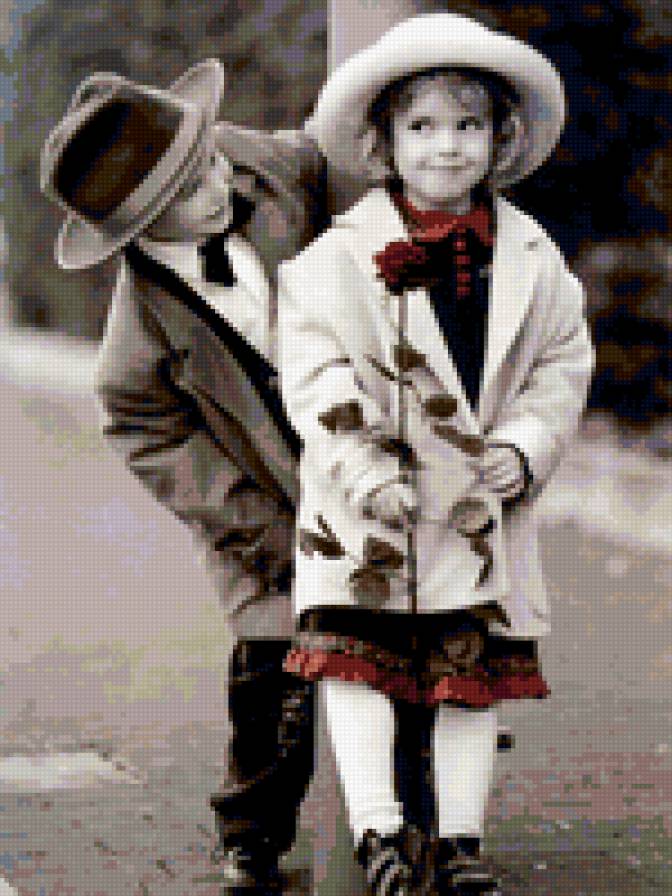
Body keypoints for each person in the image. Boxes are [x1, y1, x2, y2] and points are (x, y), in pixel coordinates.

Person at [277, 13, 595, 896]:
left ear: (500, 139)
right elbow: (314, 373)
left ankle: (459, 842)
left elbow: (562, 362)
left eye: (467, 126)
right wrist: (362, 466)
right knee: (357, 662)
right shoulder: (334, 261)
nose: (446, 147)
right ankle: (379, 830)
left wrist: (526, 445)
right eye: (422, 127)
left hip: (474, 506)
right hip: (370, 506)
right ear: (385, 143)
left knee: (468, 674)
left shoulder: (533, 258)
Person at [40, 60, 328, 894]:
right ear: (137, 228)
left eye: (206, 162)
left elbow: (327, 148)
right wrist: (265, 533)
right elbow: (147, 433)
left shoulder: (253, 164)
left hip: (354, 451)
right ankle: (251, 831)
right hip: (259, 505)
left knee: (405, 639)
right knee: (276, 665)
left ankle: (419, 818)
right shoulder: (136, 339)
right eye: (188, 191)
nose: (217, 185)